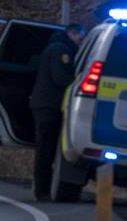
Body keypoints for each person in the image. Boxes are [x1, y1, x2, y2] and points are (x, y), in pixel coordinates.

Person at [29, 19, 88, 201]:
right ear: (72, 33)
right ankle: (42, 191)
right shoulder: (61, 50)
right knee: (46, 150)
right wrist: (81, 81)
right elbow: (61, 78)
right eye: (80, 37)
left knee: (46, 149)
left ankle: (42, 188)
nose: (81, 41)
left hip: (47, 105)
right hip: (50, 106)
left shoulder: (57, 47)